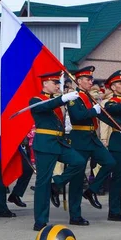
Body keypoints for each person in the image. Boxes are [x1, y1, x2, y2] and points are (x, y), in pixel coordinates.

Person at [29, 71, 85, 230]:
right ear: (45, 84)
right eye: (54, 82)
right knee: (42, 182)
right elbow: (45, 107)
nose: (57, 85)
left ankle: (57, 184)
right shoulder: (36, 99)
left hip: (59, 142)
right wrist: (63, 99)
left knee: (79, 162)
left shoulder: (56, 100)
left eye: (58, 83)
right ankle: (40, 220)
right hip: (45, 144)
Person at [65, 66, 117, 225]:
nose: (90, 82)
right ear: (79, 81)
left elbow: (102, 114)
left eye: (91, 79)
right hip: (79, 138)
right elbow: (77, 116)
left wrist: (118, 126)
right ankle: (75, 215)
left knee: (110, 162)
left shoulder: (90, 97)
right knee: (77, 179)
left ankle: (91, 190)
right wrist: (94, 111)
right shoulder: (73, 97)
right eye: (87, 79)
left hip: (92, 138)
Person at [103, 70, 121, 221]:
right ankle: (114, 211)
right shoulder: (112, 102)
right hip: (119, 142)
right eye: (120, 83)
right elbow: (114, 109)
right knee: (117, 177)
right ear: (113, 88)